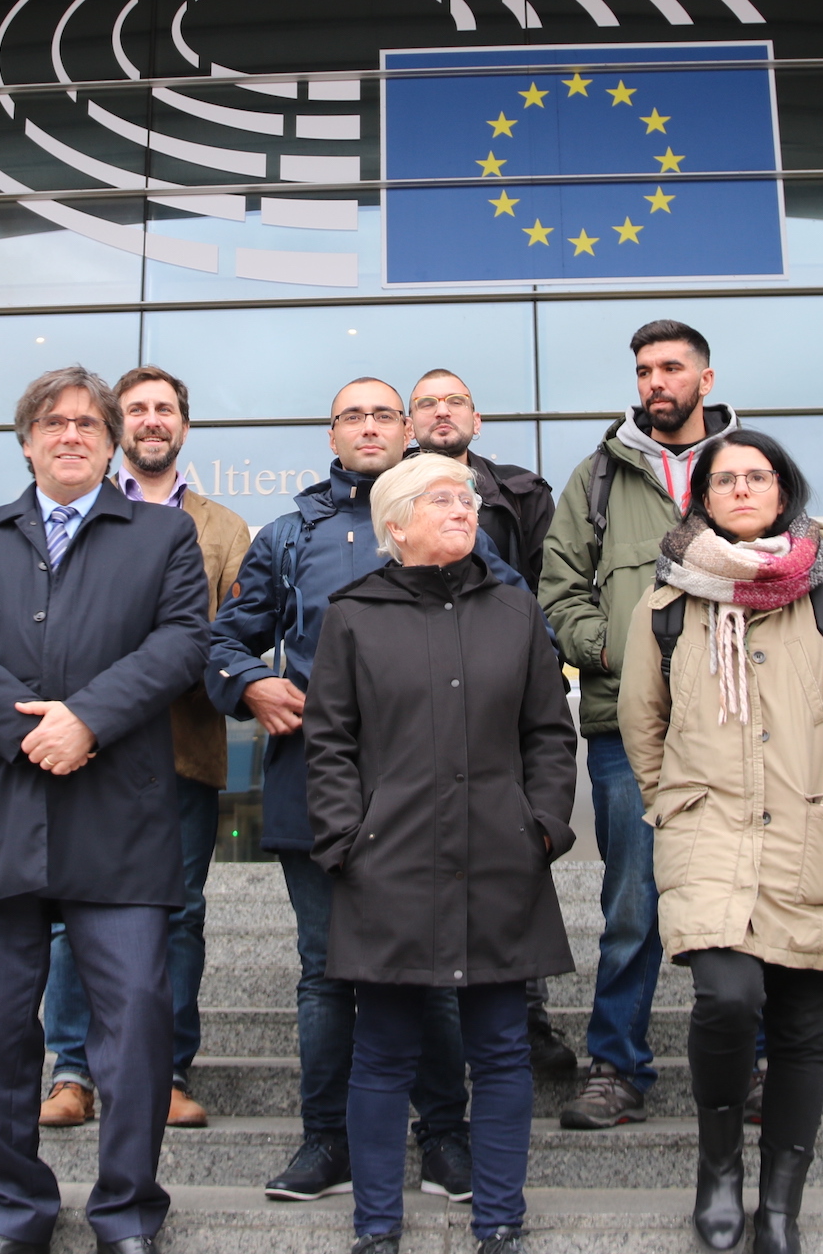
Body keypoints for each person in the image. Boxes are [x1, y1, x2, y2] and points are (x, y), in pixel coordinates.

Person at [207, 377, 530, 1203]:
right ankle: (328, 1143)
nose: (370, 426)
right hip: (318, 780)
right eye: (352, 415)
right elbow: (223, 640)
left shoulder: (453, 521)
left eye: (385, 413)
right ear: (332, 434)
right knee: (325, 971)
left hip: (438, 794)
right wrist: (249, 681)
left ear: (409, 428)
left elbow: (520, 631)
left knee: (436, 972)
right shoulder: (288, 534)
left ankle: (447, 1144)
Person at [0, 365, 211, 1254]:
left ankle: (127, 1213)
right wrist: (28, 731)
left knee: (132, 1028)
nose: (72, 434)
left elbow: (184, 642)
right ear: (26, 440)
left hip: (118, 817)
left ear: (112, 440)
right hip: (3, 814)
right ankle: (15, 1209)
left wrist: (88, 718)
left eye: (90, 422)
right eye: (54, 422)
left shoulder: (163, 536)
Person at [618, 430, 823, 1254]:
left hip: (817, 824)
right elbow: (643, 720)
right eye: (725, 478)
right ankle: (718, 1171)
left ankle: (781, 1202)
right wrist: (675, 803)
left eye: (758, 476)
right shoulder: (667, 602)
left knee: (803, 1020)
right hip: (707, 828)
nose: (742, 488)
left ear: (783, 491)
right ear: (702, 496)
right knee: (728, 997)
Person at [303, 451, 579, 1254]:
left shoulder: (515, 610)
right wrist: (344, 843)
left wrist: (545, 827)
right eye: (443, 499)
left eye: (468, 499)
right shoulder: (352, 614)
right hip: (385, 868)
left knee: (499, 1050)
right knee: (383, 1052)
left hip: (502, 861)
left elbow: (548, 734)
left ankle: (500, 1220)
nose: (465, 508)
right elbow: (330, 745)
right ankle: (377, 1228)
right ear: (396, 526)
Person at [538, 319, 741, 1129]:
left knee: (741, 902)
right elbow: (559, 589)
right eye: (645, 370)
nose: (656, 382)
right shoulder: (595, 477)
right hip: (631, 730)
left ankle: (750, 1065)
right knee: (632, 905)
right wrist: (614, 653)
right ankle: (616, 1067)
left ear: (706, 377)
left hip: (736, 726)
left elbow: (795, 571)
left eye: (672, 368)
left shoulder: (746, 467)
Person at [40, 366, 254, 1131]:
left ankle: (163, 1071)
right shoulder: (76, 514)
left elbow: (228, 638)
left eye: (166, 409)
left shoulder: (224, 529)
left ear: (185, 427)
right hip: (83, 752)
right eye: (137, 409)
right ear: (114, 425)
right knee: (71, 912)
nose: (153, 420)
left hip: (180, 755)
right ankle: (72, 1073)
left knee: (177, 916)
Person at [406, 367, 574, 1079]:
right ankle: (433, 1031)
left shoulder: (526, 494)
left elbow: (550, 596)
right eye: (427, 404)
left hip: (499, 700)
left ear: (478, 420)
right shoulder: (387, 494)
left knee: (510, 870)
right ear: (410, 423)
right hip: (413, 703)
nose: (442, 413)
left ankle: (524, 1015)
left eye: (456, 402)